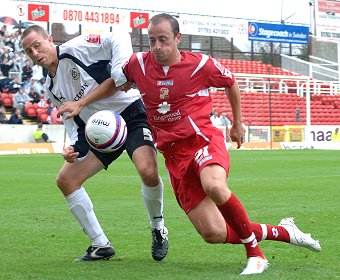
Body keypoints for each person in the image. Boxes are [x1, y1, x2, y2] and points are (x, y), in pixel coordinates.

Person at [57, 14, 321, 275]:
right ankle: (284, 232)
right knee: (213, 233)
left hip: (202, 141)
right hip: (174, 157)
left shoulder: (201, 65)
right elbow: (116, 83)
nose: (157, 46)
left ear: (177, 38)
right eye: (152, 41)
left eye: (163, 40)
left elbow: (230, 82)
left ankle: (255, 254)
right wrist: (81, 103)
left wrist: (237, 123)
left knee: (214, 185)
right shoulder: (138, 64)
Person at [21, 25, 168, 262]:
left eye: (37, 45)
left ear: (49, 39)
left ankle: (158, 227)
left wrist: (88, 98)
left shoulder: (76, 48)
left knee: (148, 172)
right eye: (29, 51)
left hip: (130, 115)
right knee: (66, 180)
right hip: (100, 132)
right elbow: (74, 123)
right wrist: (74, 149)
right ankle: (100, 244)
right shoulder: (51, 87)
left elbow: (114, 73)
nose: (35, 53)